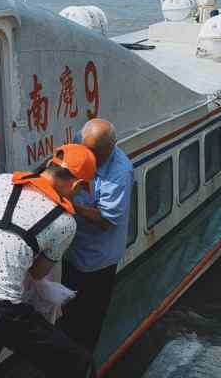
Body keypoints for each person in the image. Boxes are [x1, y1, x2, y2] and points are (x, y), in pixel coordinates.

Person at [0, 144, 97, 378]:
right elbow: (38, 272)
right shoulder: (65, 223)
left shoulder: (0, 182)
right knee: (77, 361)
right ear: (77, 184)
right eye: (80, 189)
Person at [60, 118, 135, 353]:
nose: (86, 157)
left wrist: (71, 204)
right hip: (70, 251)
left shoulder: (120, 172)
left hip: (96, 262)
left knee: (87, 326)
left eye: (94, 153)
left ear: (111, 148)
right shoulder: (82, 145)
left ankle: (83, 365)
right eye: (84, 149)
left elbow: (105, 220)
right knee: (67, 315)